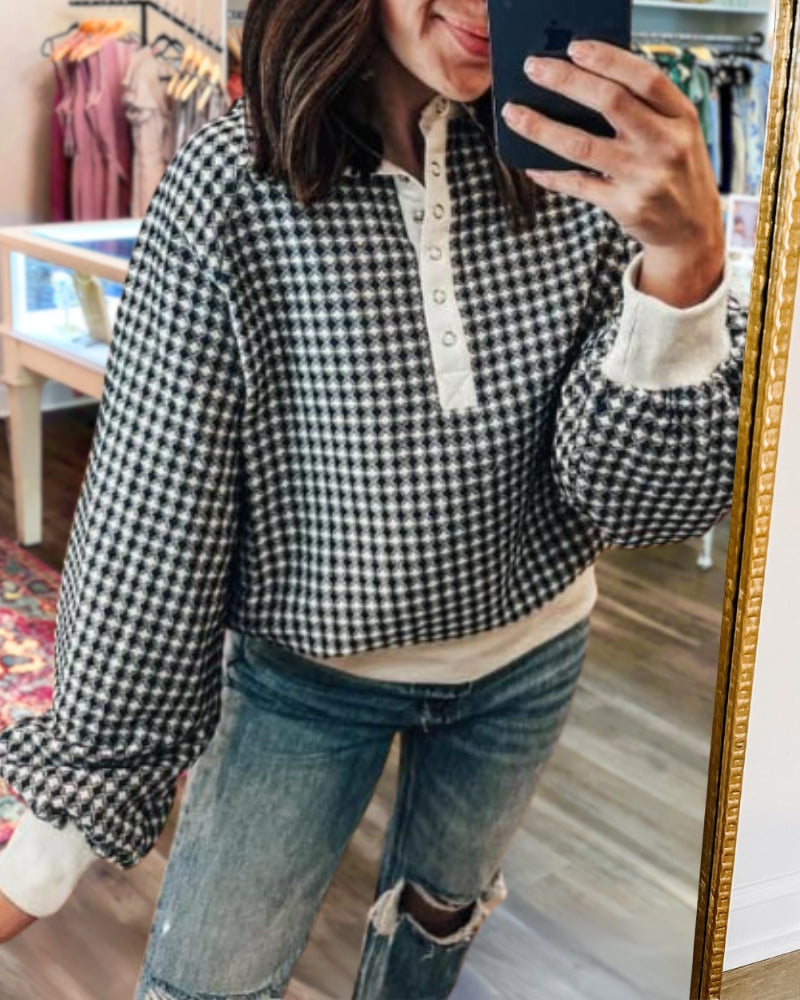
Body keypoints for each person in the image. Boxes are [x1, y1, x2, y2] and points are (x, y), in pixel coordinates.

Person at [0, 1, 747, 997]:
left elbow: (637, 504)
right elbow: (154, 513)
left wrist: (683, 266)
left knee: (432, 936)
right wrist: (52, 841)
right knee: (208, 980)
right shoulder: (233, 181)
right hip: (302, 682)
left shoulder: (587, 161)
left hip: (532, 656)